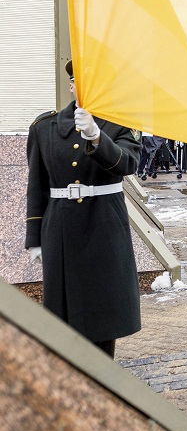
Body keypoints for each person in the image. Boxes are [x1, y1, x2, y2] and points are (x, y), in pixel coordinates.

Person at [25, 60, 141, 358]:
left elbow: (128, 163)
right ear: (72, 85)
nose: (83, 87)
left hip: (104, 225)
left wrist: (97, 137)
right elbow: (37, 185)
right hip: (61, 230)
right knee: (63, 318)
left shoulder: (119, 123)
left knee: (103, 316)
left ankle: (102, 377)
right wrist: (34, 237)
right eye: (78, 81)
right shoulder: (45, 127)